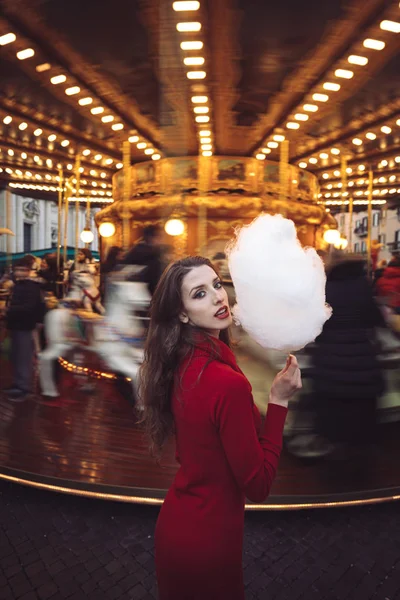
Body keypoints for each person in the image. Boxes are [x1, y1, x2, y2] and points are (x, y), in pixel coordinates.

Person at [140, 256, 301, 600]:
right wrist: (279, 401)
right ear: (182, 313)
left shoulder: (179, 363)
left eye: (216, 284)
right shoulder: (225, 383)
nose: (218, 297)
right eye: (199, 293)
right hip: (208, 541)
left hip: (177, 525)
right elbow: (257, 484)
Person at [309, 252, 385, 454]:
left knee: (334, 404)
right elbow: (375, 318)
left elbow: (315, 324)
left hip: (330, 356)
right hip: (361, 355)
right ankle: (362, 444)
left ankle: (334, 442)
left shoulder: (325, 288)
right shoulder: (363, 286)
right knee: (361, 403)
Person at [4, 256, 46, 401]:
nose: (19, 273)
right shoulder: (19, 286)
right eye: (17, 270)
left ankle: (24, 388)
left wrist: (8, 310)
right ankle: (18, 383)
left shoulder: (31, 287)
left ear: (28, 271)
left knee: (23, 356)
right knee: (16, 355)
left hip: (25, 325)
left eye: (22, 270)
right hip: (17, 324)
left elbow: (29, 307)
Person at [123, 224, 163, 295]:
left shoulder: (135, 250)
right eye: (159, 237)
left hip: (138, 293)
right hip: (145, 293)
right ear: (151, 237)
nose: (160, 240)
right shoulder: (151, 254)